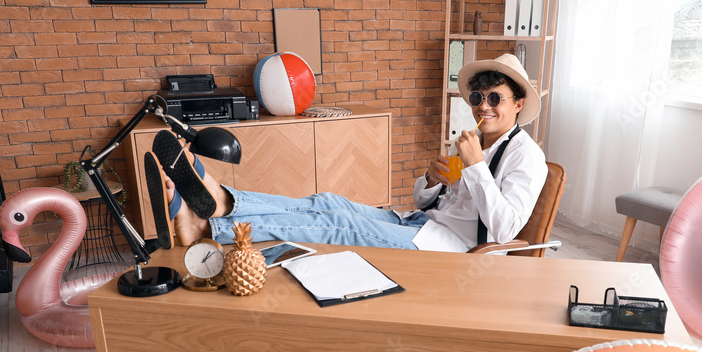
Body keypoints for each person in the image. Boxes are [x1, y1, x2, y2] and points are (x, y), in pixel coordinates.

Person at [146, 53, 548, 252]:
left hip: (449, 249)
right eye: (478, 96)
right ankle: (224, 200)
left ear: (517, 104)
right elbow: (429, 202)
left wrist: (476, 168)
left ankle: (207, 229)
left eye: (495, 97)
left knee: (338, 227)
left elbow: (506, 229)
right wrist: (430, 181)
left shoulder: (526, 157)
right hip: (420, 223)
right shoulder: (477, 140)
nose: (483, 106)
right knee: (327, 202)